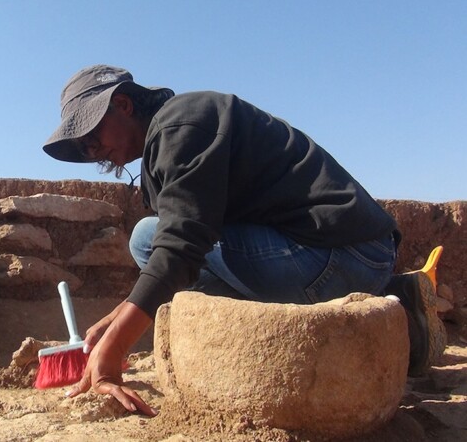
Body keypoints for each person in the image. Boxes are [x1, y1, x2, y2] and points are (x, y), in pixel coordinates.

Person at [42, 64, 445, 416]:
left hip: (343, 253)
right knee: (153, 239)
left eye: (91, 135)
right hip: (349, 256)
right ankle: (398, 300)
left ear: (123, 105)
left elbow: (183, 244)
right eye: (83, 148)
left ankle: (374, 292)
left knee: (149, 238)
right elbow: (190, 241)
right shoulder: (162, 149)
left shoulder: (182, 124)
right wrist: (114, 320)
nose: (93, 151)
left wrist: (113, 352)